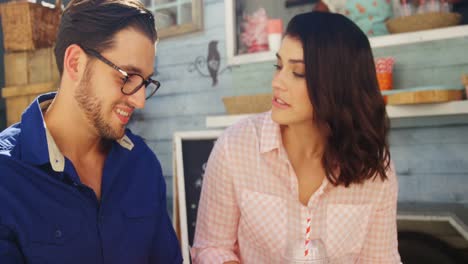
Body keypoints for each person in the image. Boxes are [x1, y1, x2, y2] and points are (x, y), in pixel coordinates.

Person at [192, 12, 401, 263]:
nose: (277, 82)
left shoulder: (374, 170)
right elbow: (211, 247)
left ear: (338, 85)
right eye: (279, 66)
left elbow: (380, 259)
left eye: (298, 72)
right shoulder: (235, 146)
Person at [0, 0, 182, 263]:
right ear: (75, 62)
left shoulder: (142, 164)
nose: (140, 100)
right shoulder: (6, 178)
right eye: (127, 76)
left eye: (145, 81)